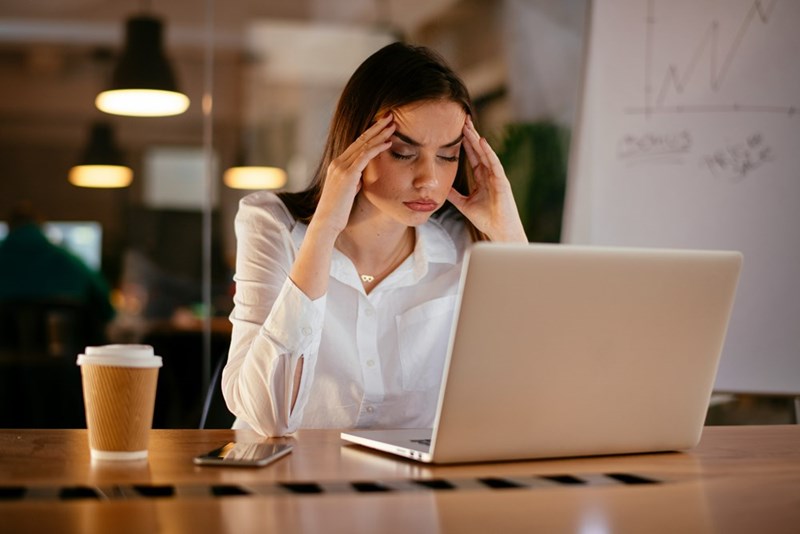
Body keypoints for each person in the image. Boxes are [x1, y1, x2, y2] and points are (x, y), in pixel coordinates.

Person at [222, 42, 527, 437]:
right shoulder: (272, 224)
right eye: (403, 152)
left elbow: (539, 388)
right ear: (356, 146)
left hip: (412, 489)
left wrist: (507, 232)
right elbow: (269, 417)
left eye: (448, 156)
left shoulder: (464, 243)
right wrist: (324, 229)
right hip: (287, 482)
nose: (429, 180)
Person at [0, 202, 115, 325]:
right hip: (70, 342)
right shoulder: (70, 260)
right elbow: (105, 305)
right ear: (41, 227)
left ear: (9, 227)